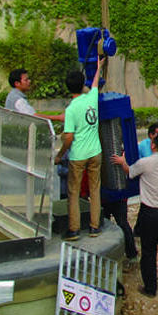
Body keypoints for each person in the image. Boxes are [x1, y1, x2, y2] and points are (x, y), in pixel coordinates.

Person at [111, 131, 158, 297]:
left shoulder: (145, 163)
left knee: (149, 250)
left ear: (153, 145)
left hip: (151, 211)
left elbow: (130, 172)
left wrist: (122, 161)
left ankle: (151, 288)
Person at [54, 55, 104, 241]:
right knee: (95, 190)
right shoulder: (92, 97)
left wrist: (60, 155)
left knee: (73, 193)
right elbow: (95, 82)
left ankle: (74, 230)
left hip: (78, 156)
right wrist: (99, 66)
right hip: (95, 152)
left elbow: (68, 138)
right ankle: (95, 226)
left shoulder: (71, 109)